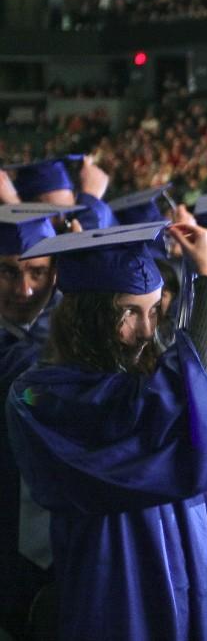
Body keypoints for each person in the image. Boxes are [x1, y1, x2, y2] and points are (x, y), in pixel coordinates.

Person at [6, 220, 207, 639]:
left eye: (155, 310)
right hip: (115, 574)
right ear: (84, 318)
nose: (147, 332)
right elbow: (162, 409)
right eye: (128, 312)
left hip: (190, 560)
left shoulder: (144, 379)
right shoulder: (40, 396)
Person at [0, 204, 79, 637]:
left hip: (61, 545)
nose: (26, 290)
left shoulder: (71, 338)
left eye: (39, 272)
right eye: (9, 272)